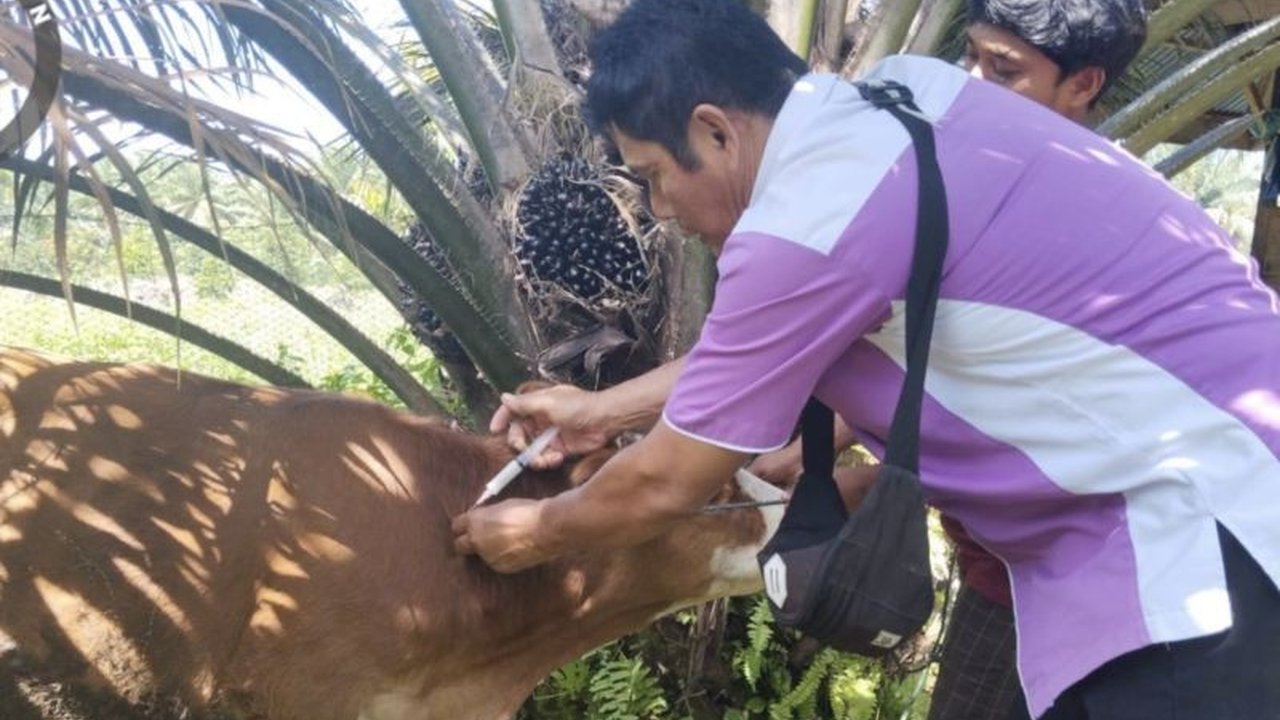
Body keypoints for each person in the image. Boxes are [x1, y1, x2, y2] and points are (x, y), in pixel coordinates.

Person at [451, 1, 1280, 718]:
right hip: (1202, 504)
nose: (662, 210)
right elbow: (774, 337)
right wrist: (597, 410)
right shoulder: (909, 99)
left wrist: (537, 532)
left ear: (714, 128)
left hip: (1202, 548)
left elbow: (667, 483)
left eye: (656, 175)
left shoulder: (810, 218)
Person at [748, 2, 1149, 718]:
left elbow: (1036, 425)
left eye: (1003, 71)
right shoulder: (996, 184)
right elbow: (952, 360)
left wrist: (870, 476)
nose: (969, 84)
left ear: (1083, 85)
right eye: (970, 57)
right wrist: (835, 443)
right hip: (1023, 562)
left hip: (1055, 578)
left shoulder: (1081, 215)